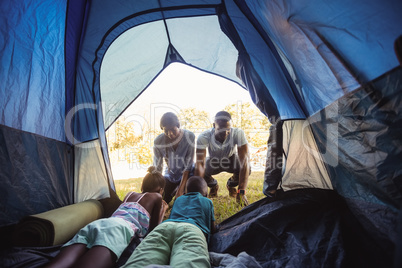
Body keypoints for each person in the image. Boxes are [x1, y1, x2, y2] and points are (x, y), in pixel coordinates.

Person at [44, 166, 167, 268]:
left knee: (59, 263)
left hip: (99, 224)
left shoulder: (129, 194)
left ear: (143, 185)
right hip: (118, 229)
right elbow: (153, 232)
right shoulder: (156, 197)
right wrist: (163, 211)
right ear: (161, 190)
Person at [121, 176, 215, 268]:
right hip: (192, 229)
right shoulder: (207, 201)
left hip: (165, 227)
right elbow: (212, 228)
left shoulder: (178, 199)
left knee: (142, 258)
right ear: (206, 195)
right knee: (189, 260)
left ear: (185, 192)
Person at [195, 111, 250, 205]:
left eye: (228, 129)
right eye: (221, 129)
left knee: (247, 167)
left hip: (231, 159)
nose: (225, 132)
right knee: (197, 169)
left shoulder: (238, 133)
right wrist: (198, 194)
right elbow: (200, 163)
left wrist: (241, 192)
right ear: (214, 125)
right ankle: (213, 185)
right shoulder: (204, 136)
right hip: (213, 161)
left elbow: (244, 162)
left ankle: (231, 185)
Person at [153, 112, 195, 204]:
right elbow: (158, 167)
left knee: (186, 198)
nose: (170, 133)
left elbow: (188, 166)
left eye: (173, 129)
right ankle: (173, 190)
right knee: (163, 199)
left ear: (178, 126)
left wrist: (181, 189)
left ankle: (180, 189)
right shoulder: (158, 142)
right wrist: (157, 189)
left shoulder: (189, 136)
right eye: (166, 131)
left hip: (188, 174)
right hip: (171, 175)